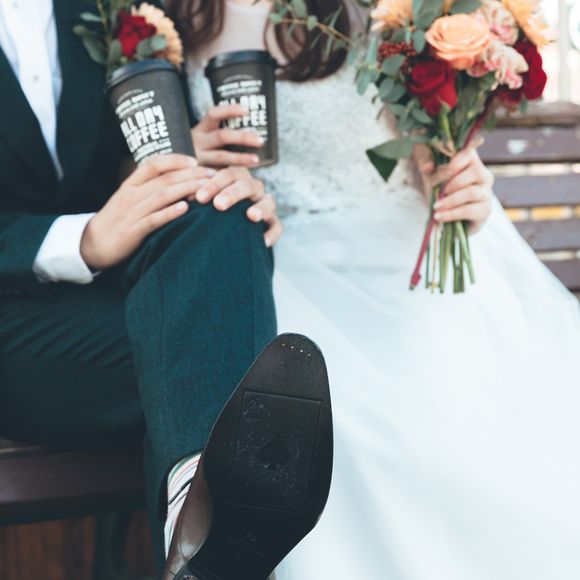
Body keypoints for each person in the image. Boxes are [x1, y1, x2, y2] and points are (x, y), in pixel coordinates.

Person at [176, 0, 580, 578]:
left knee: (451, 431)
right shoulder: (179, 17)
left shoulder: (381, 11)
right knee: (315, 413)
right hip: (270, 260)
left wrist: (461, 178)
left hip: (404, 255)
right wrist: (187, 153)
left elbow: (431, 150)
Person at [0, 1, 334, 578]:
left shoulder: (103, 8)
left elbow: (115, 168)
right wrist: (81, 239)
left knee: (224, 206)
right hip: (18, 338)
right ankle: (206, 523)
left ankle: (196, 516)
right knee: (215, 362)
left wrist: (184, 165)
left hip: (107, 307)